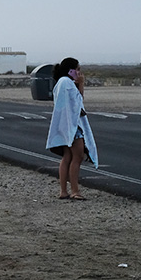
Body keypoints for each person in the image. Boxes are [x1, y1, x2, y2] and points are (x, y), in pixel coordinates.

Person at [45, 56, 99, 200]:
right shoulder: (66, 83)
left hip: (66, 124)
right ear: (70, 70)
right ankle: (75, 190)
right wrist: (80, 85)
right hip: (72, 125)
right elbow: (77, 102)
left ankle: (64, 191)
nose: (79, 73)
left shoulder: (63, 83)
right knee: (77, 157)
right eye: (77, 69)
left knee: (67, 156)